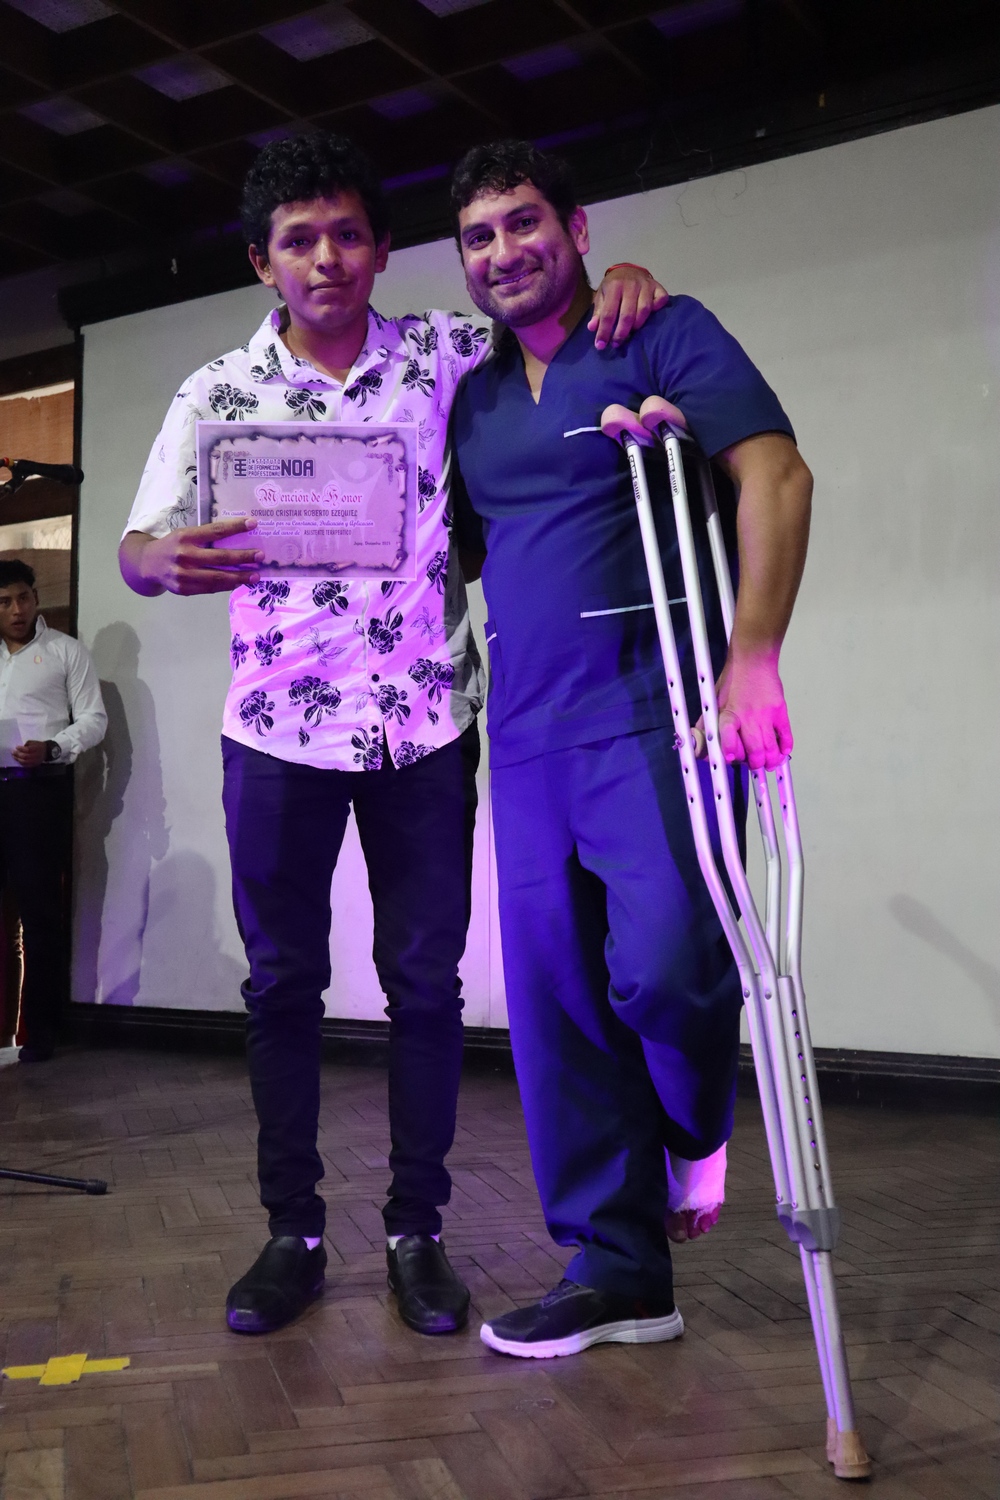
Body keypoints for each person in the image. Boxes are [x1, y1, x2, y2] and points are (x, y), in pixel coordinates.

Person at [118, 131, 666, 1340]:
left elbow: (551, 327)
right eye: (299, 241)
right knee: (282, 985)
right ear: (261, 261)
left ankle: (417, 1230)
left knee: (426, 988)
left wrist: (626, 283)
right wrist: (155, 561)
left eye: (348, 235)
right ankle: (292, 1233)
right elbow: (137, 545)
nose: (327, 259)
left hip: (423, 726)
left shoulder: (444, 354)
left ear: (378, 249)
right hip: (274, 734)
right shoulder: (214, 393)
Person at [448, 140, 813, 1359]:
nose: (504, 251)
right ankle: (617, 1270)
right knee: (558, 1010)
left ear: (578, 225)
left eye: (523, 221)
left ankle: (696, 1135)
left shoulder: (657, 333)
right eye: (479, 235)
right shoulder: (472, 398)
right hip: (526, 736)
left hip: (660, 708)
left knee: (667, 969)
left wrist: (753, 654)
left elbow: (775, 475)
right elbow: (451, 552)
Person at [0, 560, 107, 1063]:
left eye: (23, 598)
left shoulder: (65, 651)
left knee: (39, 913)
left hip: (37, 792)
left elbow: (94, 719)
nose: (16, 610)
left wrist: (53, 747)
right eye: (4, 602)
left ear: (36, 598)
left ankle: (40, 1033)